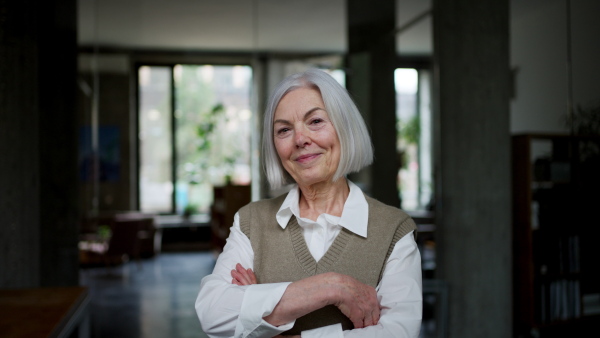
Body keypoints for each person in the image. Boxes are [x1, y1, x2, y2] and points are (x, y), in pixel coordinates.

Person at [195, 69, 422, 337]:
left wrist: (263, 316)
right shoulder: (251, 221)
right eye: (284, 130)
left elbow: (398, 333)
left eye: (315, 121)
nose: (300, 139)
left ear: (345, 129)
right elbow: (213, 314)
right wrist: (331, 287)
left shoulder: (393, 229)